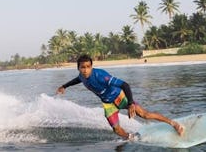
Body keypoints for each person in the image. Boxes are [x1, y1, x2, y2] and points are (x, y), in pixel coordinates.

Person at [56, 54, 184, 140]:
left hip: (119, 96)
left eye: (88, 67)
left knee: (145, 114)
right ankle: (132, 137)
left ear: (91, 66)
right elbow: (76, 80)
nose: (85, 70)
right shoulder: (81, 76)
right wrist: (64, 86)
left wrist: (130, 103)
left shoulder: (101, 75)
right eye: (82, 67)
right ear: (78, 68)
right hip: (108, 103)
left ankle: (174, 124)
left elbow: (125, 85)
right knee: (116, 129)